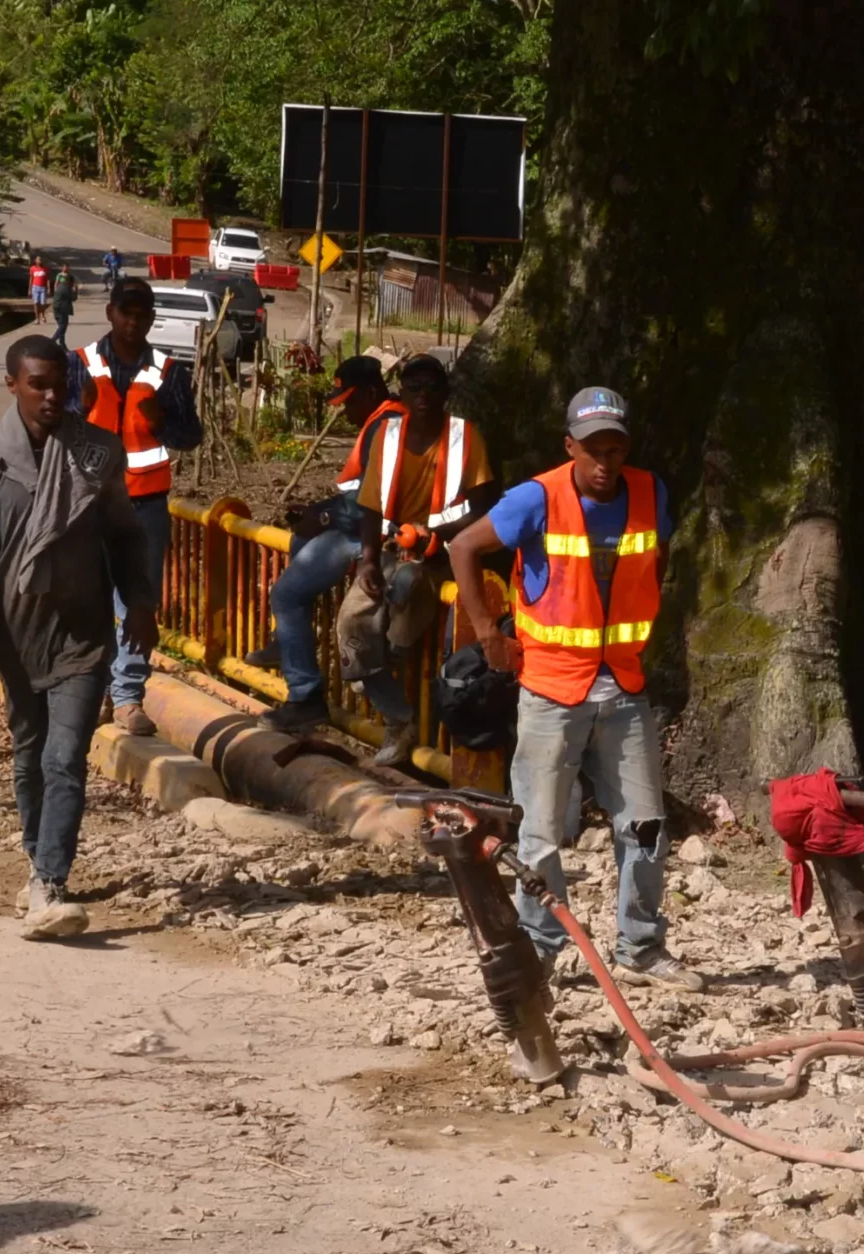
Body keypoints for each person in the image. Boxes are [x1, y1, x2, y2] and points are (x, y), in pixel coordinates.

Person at [447, 385, 703, 992]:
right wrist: (488, 634)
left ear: (627, 447)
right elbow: (463, 546)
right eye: (592, 450)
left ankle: (640, 947)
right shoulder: (537, 498)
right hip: (550, 687)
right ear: (570, 447)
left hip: (623, 685)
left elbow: (656, 563)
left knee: (644, 823)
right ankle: (540, 946)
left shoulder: (649, 492)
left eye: (615, 448)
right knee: (538, 831)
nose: (604, 462)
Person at [0, 335, 155, 941]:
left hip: (82, 634)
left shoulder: (97, 455)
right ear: (12, 385)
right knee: (29, 758)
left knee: (65, 758)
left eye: (62, 384)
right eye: (39, 385)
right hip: (14, 636)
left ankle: (50, 881)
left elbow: (127, 537)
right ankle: (38, 863)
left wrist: (140, 600)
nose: (54, 396)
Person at [326, 353, 493, 759]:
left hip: (444, 555)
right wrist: (368, 560)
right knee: (351, 625)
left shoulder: (464, 437)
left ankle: (445, 737)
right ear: (402, 392)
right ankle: (399, 720)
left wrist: (433, 533)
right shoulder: (389, 435)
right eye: (413, 386)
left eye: (431, 386)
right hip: (389, 551)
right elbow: (368, 504)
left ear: (445, 392)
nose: (422, 395)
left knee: (417, 625)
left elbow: (486, 504)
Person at [70, 276, 202, 736]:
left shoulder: (169, 371)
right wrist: (79, 408)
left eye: (141, 314)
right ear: (111, 313)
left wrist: (161, 421)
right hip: (88, 502)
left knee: (136, 602)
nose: (132, 321)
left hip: (145, 504)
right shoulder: (80, 365)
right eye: (125, 312)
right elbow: (54, 427)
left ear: (150, 319)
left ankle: (127, 698)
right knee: (88, 598)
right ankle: (96, 691)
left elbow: (191, 436)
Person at [256, 356, 399, 729]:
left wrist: (324, 517)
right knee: (300, 539)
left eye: (350, 401)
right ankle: (286, 640)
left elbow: (368, 506)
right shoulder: (382, 419)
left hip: (373, 535)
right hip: (362, 525)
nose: (345, 412)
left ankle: (305, 697)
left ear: (372, 391)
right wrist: (319, 511)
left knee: (285, 596)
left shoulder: (386, 426)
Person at [50, 265, 77, 346]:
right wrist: (75, 291)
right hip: (62, 309)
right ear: (70, 282)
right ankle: (52, 341)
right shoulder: (67, 289)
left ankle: (62, 345)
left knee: (61, 327)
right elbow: (73, 298)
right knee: (62, 327)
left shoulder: (60, 286)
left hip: (56, 308)